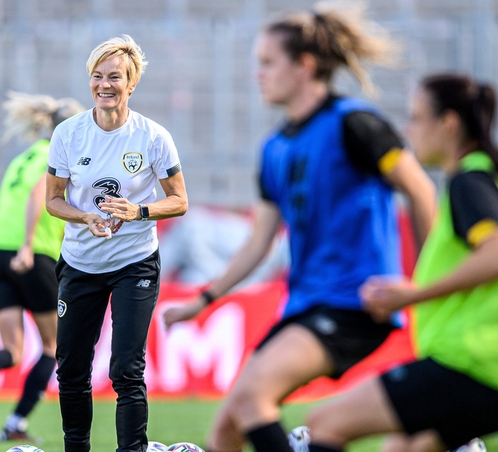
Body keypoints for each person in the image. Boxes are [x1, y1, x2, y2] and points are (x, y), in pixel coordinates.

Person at [162, 5, 437, 452]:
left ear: (305, 66)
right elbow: (259, 241)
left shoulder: (355, 124)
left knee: (253, 397)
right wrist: (205, 299)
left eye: (268, 62)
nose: (259, 74)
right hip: (305, 304)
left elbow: (420, 190)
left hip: (355, 300)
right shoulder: (274, 148)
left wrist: (426, 286)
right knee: (226, 430)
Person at [302, 74, 498, 452]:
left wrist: (413, 296)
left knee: (324, 424)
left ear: (448, 124)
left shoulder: (471, 181)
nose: (408, 129)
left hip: (478, 366)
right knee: (406, 447)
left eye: (416, 118)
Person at [46, 35, 189, 452]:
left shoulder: (153, 137)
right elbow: (54, 200)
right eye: (97, 76)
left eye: (115, 77)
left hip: (135, 263)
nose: (104, 84)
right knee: (71, 368)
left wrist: (139, 212)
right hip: (80, 262)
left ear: (132, 83)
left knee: (126, 368)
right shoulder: (68, 134)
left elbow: (179, 200)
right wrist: (85, 216)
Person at [0, 92, 84, 442]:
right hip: (32, 254)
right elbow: (36, 196)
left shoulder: (24, 157)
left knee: (13, 350)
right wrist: (28, 246)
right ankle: (16, 423)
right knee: (52, 346)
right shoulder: (59, 159)